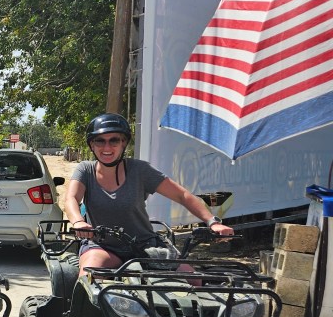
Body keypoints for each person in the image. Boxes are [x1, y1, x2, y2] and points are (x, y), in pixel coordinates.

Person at [64, 113, 234, 276]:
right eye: (100, 141)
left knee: (194, 279)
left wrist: (212, 222)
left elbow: (182, 195)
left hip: (145, 246)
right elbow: (71, 198)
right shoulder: (85, 170)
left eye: (114, 140)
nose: (107, 147)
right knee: (90, 274)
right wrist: (78, 222)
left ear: (124, 143)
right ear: (92, 145)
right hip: (102, 246)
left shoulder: (140, 170)